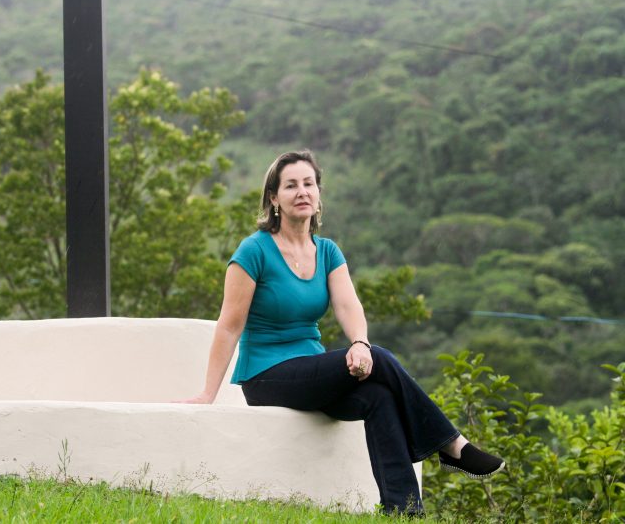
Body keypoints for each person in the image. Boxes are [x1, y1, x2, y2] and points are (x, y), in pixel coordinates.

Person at [178, 150, 505, 515]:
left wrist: (360, 345)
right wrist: (209, 393)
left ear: (318, 194)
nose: (301, 191)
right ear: (274, 198)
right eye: (291, 186)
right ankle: (452, 445)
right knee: (381, 357)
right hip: (266, 375)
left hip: (311, 370)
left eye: (308, 184)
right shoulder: (253, 250)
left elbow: (349, 307)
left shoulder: (327, 251)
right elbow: (229, 325)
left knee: (379, 395)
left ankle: (405, 510)